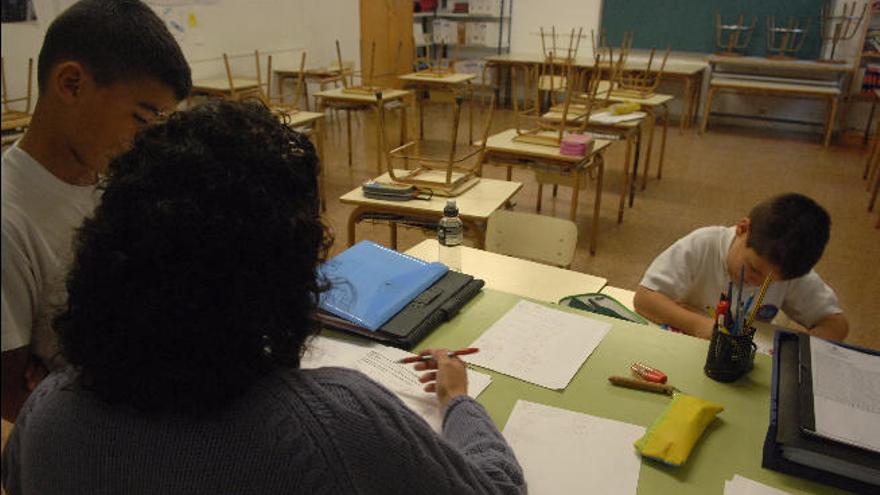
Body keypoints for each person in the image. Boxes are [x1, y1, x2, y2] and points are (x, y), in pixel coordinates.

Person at [0, 101, 525, 495]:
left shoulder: (47, 415)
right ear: (279, 273)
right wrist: (458, 401)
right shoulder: (336, 426)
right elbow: (496, 488)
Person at [1, 0, 191, 422]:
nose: (147, 144)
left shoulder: (116, 176)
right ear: (71, 84)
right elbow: (13, 396)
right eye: (142, 119)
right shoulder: (9, 219)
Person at [633, 193, 848, 341]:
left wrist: (794, 350)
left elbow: (837, 325)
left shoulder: (786, 268)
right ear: (743, 229)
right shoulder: (703, 245)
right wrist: (702, 326)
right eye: (753, 269)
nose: (758, 282)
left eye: (771, 282)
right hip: (685, 345)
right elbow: (644, 298)